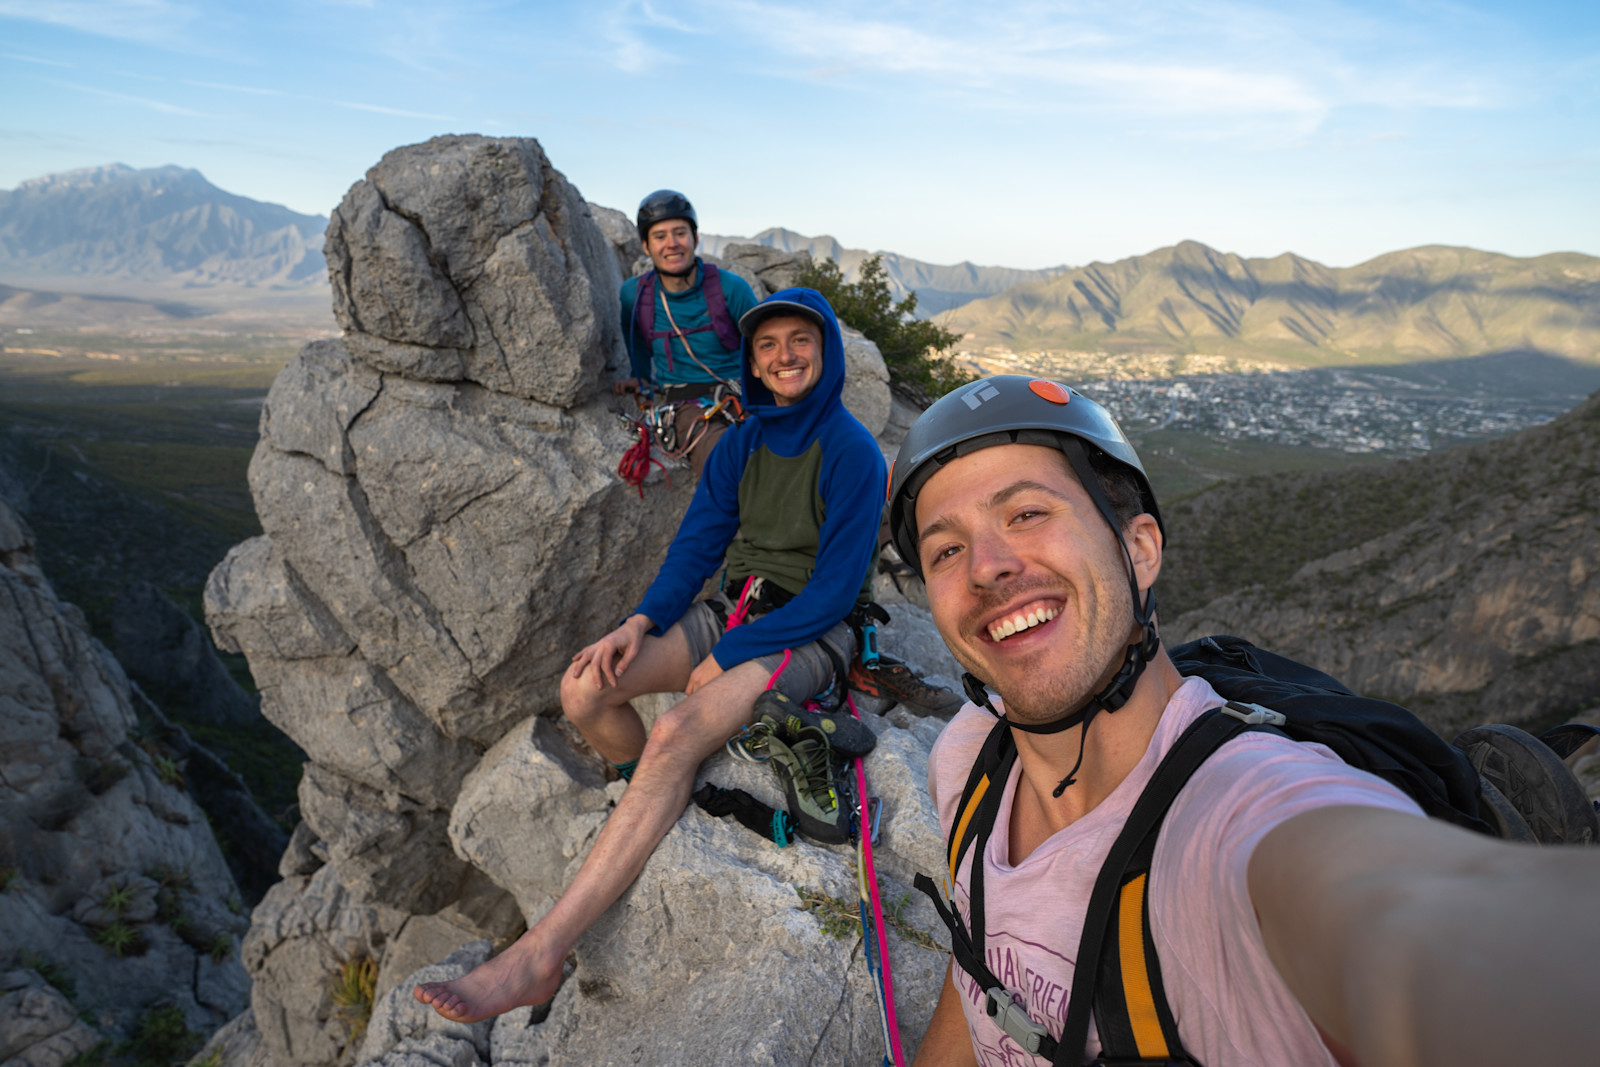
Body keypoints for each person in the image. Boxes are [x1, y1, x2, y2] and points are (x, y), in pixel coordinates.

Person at [887, 374, 1600, 1067]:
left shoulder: (1234, 816)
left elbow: (1410, 919)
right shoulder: (969, 760)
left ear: (1139, 550)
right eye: (946, 549)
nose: (985, 567)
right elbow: (981, 971)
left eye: (1026, 513)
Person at [415, 287, 886, 1023]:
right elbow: (696, 546)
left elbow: (833, 592)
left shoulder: (853, 451)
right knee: (585, 691)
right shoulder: (742, 441)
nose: (784, 356)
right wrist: (637, 623)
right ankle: (657, 794)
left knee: (675, 730)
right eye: (768, 345)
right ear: (752, 361)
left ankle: (541, 953)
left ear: (824, 352)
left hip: (805, 632)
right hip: (734, 610)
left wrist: (729, 653)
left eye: (800, 341)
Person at [615, 189, 759, 476]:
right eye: (659, 236)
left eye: (680, 233)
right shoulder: (635, 295)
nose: (672, 244)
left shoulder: (731, 288)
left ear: (695, 237)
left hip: (744, 394)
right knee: (724, 460)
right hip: (686, 407)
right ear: (646, 246)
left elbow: (762, 345)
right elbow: (639, 345)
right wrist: (641, 377)